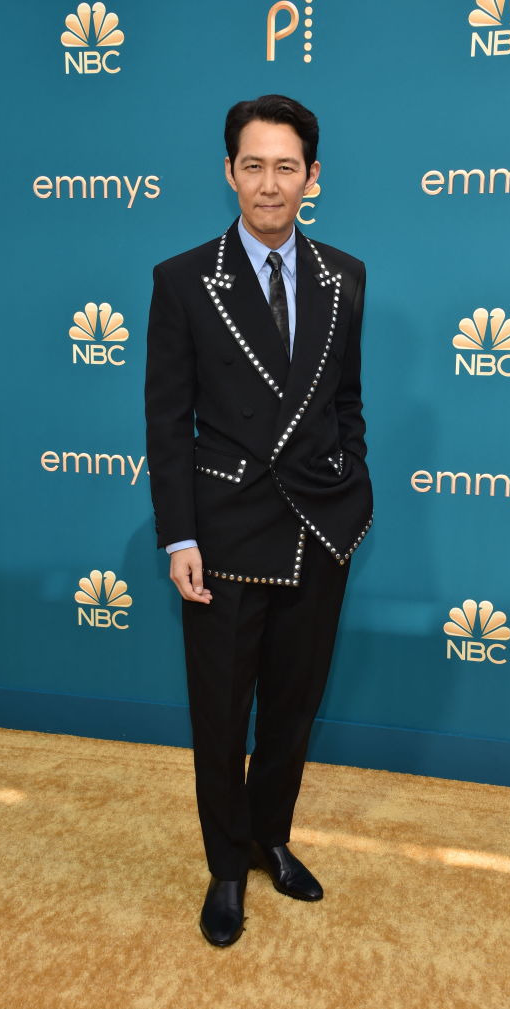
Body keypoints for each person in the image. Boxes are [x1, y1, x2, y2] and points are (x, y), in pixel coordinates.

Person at [144, 94, 373, 947]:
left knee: (292, 706)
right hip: (227, 533)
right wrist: (181, 535)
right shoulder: (181, 279)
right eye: (253, 165)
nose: (269, 184)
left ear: (312, 177)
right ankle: (226, 867)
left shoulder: (343, 274)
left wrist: (354, 480)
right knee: (219, 713)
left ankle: (271, 835)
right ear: (228, 172)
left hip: (320, 526)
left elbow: (347, 400)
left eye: (287, 167)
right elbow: (165, 422)